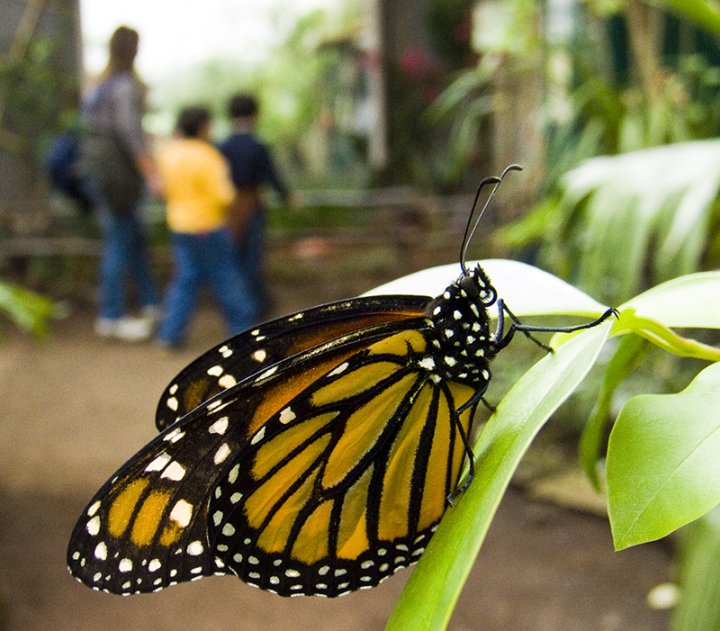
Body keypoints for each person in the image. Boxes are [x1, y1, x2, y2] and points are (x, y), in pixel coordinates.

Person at [78, 25, 160, 342]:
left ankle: (152, 304)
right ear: (133, 49)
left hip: (99, 173)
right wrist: (150, 172)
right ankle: (110, 315)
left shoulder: (98, 86)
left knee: (133, 237)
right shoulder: (123, 87)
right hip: (116, 177)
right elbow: (129, 134)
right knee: (119, 240)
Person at [156, 106, 255, 348]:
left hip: (180, 226)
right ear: (203, 128)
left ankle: (169, 335)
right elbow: (224, 196)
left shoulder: (169, 154)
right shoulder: (208, 156)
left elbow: (162, 190)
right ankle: (244, 334)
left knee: (185, 279)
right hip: (207, 225)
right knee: (226, 275)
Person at [219, 93, 291, 319]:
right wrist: (286, 197)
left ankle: (240, 307)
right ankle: (253, 308)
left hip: (229, 208)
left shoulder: (223, 146)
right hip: (251, 205)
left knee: (233, 258)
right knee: (252, 259)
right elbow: (272, 177)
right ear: (254, 114)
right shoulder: (258, 146)